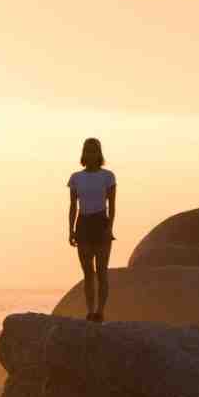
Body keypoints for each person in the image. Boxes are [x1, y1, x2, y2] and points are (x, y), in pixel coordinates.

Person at [68, 137, 116, 322]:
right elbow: (73, 206)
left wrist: (109, 227)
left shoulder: (108, 176)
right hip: (83, 223)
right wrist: (71, 230)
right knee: (88, 272)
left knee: (102, 271)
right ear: (83, 154)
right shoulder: (76, 178)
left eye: (94, 150)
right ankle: (90, 311)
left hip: (100, 221)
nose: (91, 154)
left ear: (99, 153)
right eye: (87, 150)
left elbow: (112, 205)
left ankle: (100, 311)